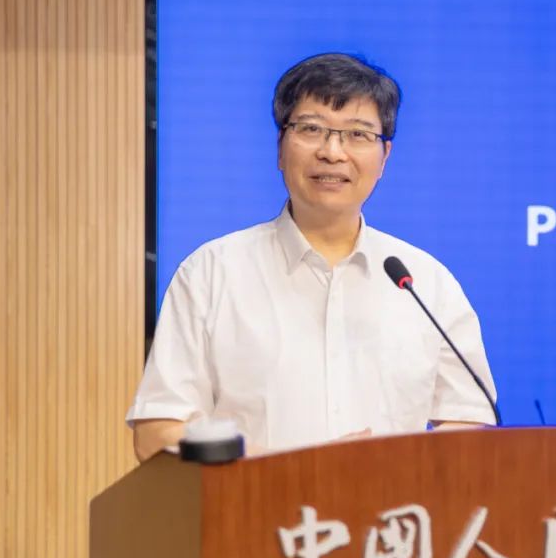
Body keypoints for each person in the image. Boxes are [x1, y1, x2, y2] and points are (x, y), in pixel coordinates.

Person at [127, 53, 496, 461]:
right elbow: (157, 433)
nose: (332, 152)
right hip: (255, 503)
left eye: (357, 134)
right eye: (311, 129)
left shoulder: (425, 282)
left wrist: (391, 470)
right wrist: (302, 470)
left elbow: (471, 424)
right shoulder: (211, 273)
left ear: (384, 157)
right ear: (280, 148)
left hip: (391, 504)